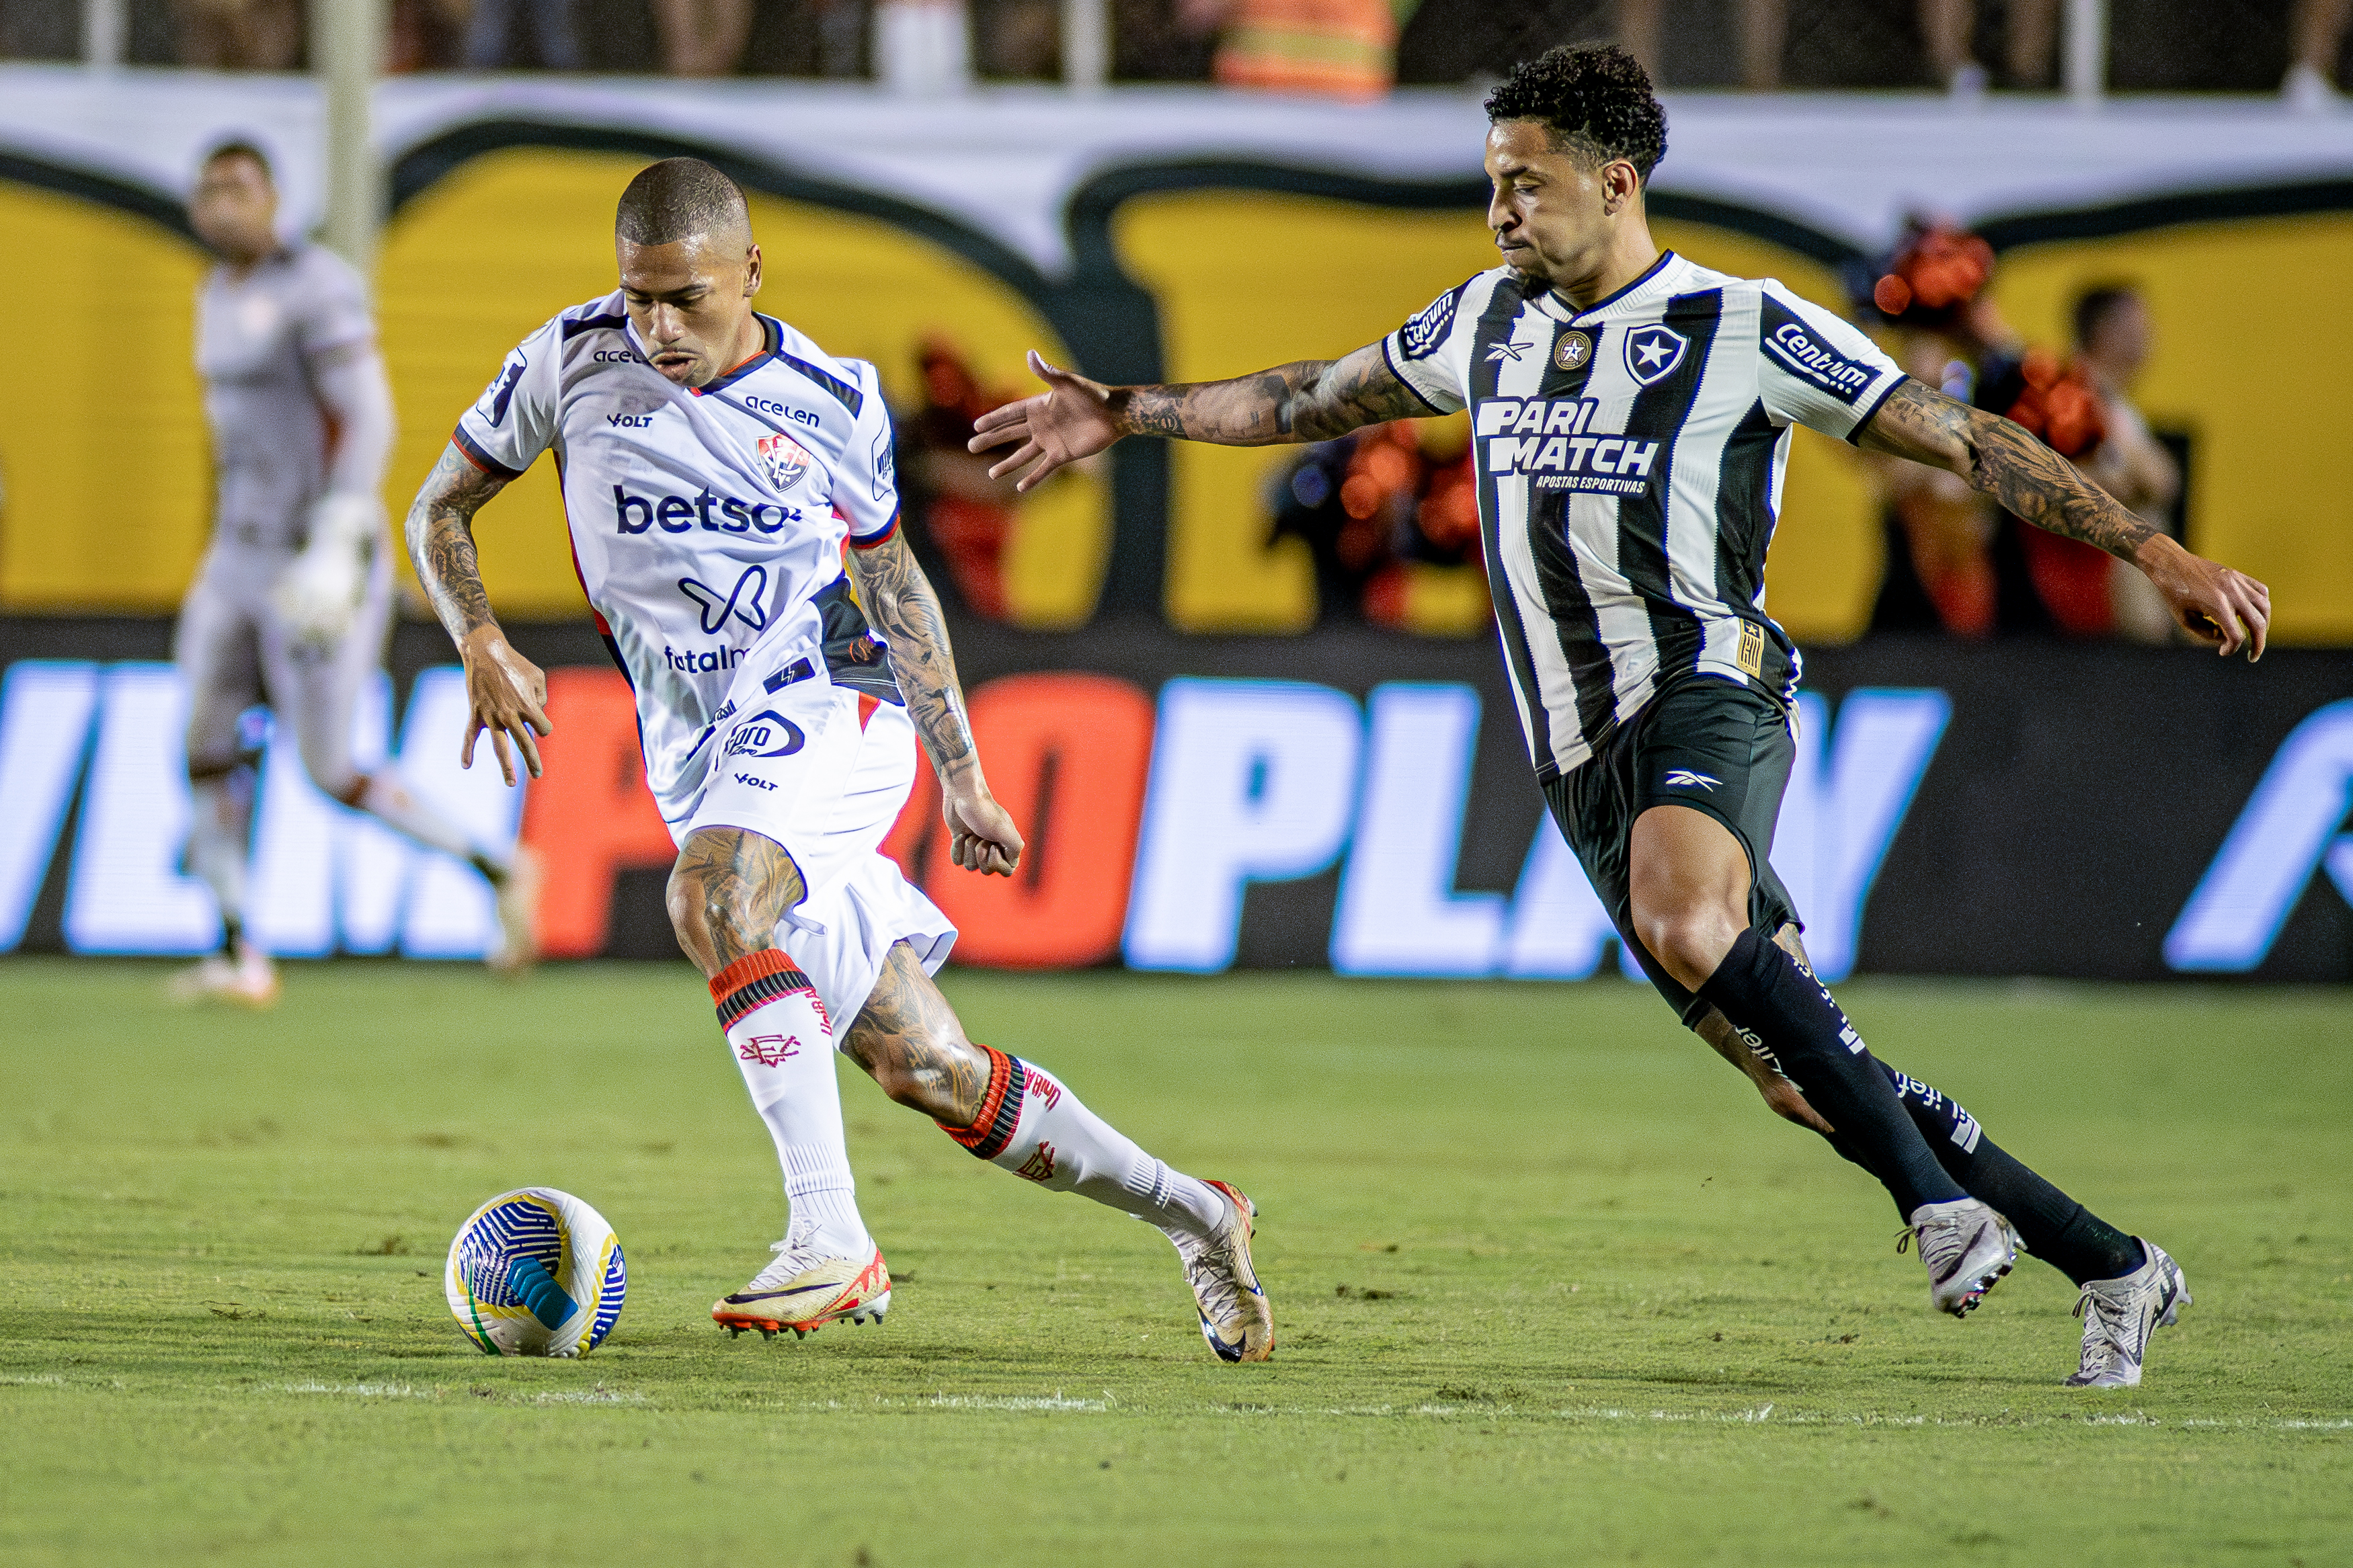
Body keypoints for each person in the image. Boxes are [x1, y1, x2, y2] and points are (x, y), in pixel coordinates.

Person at [971, 46, 2270, 1388]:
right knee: (1795, 1073)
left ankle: (1935, 1209)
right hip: (1579, 756)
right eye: (1492, 187)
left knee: (1685, 917)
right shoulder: (1485, 321)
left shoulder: (1745, 324)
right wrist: (1120, 413)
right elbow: (1303, 396)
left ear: (1616, 180)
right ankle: (2114, 1266)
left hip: (1709, 688)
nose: (1500, 215)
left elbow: (1965, 442)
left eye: (1524, 187)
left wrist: (2153, 552)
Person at [405, 158, 1273, 1360]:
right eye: (641, 296)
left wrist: (960, 769)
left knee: (712, 894)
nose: (661, 328)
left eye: (690, 299)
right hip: (701, 755)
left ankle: (829, 1233)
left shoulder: (831, 398)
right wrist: (479, 636)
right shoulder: (568, 358)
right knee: (931, 1067)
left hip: (832, 703)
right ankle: (1199, 1215)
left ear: (752, 272)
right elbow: (437, 510)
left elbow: (891, 578)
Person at [174, 141, 541, 1007]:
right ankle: (237, 949)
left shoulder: (319, 286)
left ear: (274, 198)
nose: (222, 207)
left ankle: (497, 867)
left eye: (240, 189)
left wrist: (341, 530)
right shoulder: (210, 293)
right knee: (200, 744)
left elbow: (368, 413)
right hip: (237, 551)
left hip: (316, 551)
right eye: (209, 191)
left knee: (331, 769)